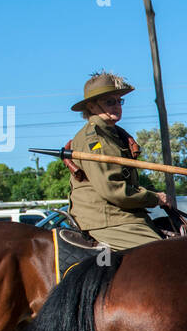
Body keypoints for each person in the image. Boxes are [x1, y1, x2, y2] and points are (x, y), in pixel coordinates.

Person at [66, 72, 172, 250]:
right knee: (163, 256)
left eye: (119, 101)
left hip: (123, 214)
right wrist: (155, 198)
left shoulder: (113, 134)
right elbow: (112, 190)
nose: (117, 106)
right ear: (91, 107)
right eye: (110, 102)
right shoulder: (94, 140)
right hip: (106, 218)